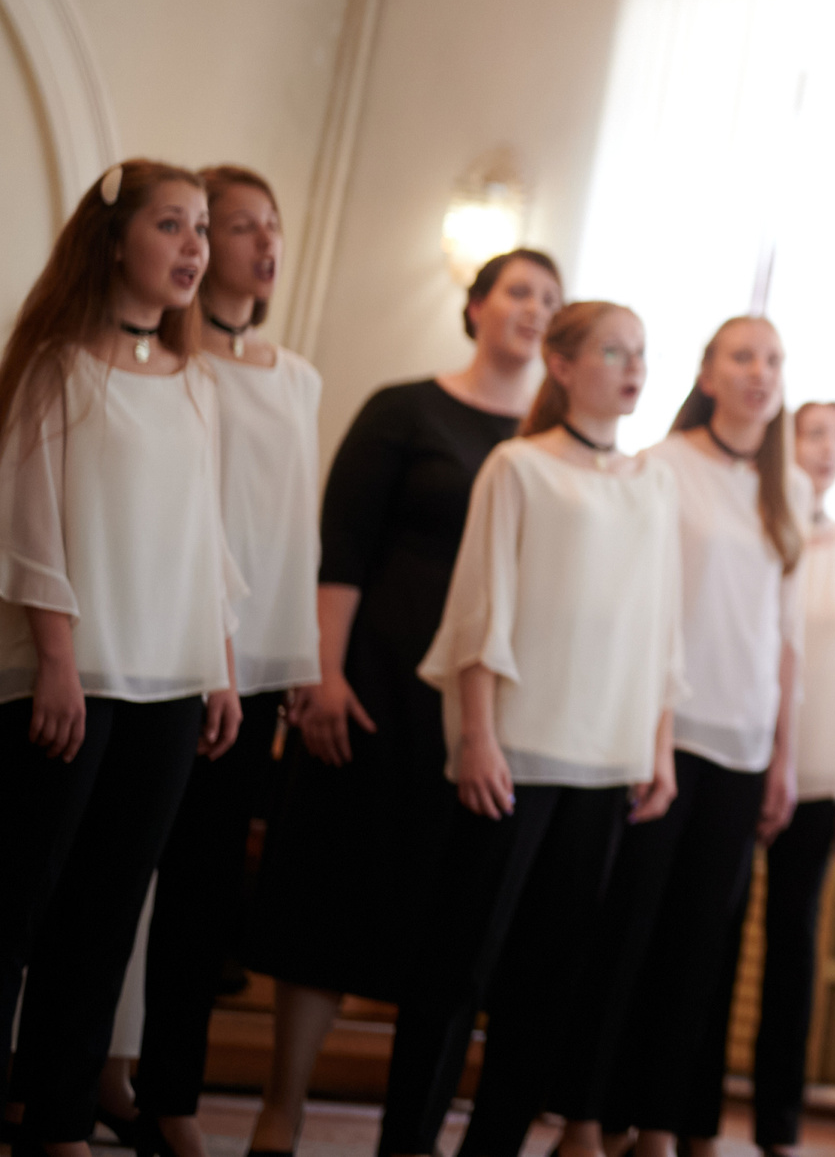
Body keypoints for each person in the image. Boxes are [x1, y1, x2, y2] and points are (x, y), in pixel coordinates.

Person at [243, 248, 561, 1157]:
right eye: (518, 291)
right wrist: (323, 673)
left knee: (444, 923)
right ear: (476, 305)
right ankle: (282, 1107)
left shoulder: (553, 446)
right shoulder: (405, 409)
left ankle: (407, 1130)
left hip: (482, 714)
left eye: (551, 298)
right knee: (328, 893)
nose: (535, 309)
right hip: (378, 684)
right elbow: (342, 546)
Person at [375, 301, 685, 1157]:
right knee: (458, 965)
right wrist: (478, 736)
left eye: (641, 353)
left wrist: (657, 745)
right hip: (514, 751)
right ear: (562, 363)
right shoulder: (518, 466)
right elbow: (482, 606)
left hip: (607, 758)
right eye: (613, 351)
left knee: (549, 982)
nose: (633, 367)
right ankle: (406, 1145)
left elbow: (661, 626)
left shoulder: (655, 483)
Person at [0, 161, 245, 1157]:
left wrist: (218, 667)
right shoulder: (54, 366)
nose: (195, 247)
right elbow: (28, 524)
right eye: (172, 224)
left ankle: (57, 1121)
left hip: (170, 684)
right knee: (18, 902)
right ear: (113, 241)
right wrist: (57, 658)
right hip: (74, 678)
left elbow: (205, 539)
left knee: (105, 917)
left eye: (203, 228)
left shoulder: (196, 385)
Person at [551, 317, 806, 1157]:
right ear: (707, 373)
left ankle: (658, 1126)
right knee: (626, 933)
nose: (759, 372)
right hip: (664, 736)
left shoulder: (789, 489)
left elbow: (787, 637)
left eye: (773, 360)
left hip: (744, 745)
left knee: (700, 952)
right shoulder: (660, 466)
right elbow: (640, 606)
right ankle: (583, 1121)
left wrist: (785, 755)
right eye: (742, 356)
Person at [120, 167, 324, 1157]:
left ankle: (171, 1091)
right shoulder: (173, 361)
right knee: (122, 871)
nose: (262, 242)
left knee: (203, 892)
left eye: (269, 225)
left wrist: (300, 658)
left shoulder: (298, 376)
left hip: (260, 665)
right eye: (239, 225)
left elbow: (294, 530)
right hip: (172, 641)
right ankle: (88, 1066)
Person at [751, 400, 835, 1157]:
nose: (825, 449)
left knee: (793, 943)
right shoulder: (760, 529)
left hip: (821, 776)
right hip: (743, 757)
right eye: (812, 434)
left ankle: (777, 1126)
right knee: (709, 937)